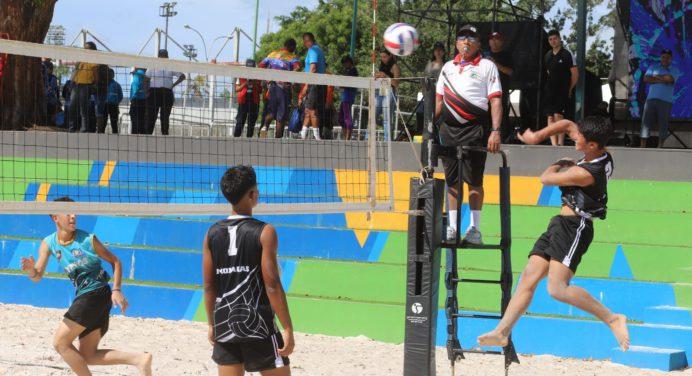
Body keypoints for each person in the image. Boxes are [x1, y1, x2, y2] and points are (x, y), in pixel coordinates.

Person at [478, 117, 630, 353]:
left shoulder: (587, 172)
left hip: (575, 227)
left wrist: (558, 162)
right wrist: (536, 136)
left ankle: (612, 318)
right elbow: (567, 123)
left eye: (579, 137)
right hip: (560, 224)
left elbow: (545, 178)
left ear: (592, 145)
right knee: (528, 276)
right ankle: (502, 332)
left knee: (557, 289)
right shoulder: (601, 152)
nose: (573, 137)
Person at [19, 196, 153, 375]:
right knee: (88, 355)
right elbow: (37, 277)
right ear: (55, 218)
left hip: (95, 294)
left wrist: (117, 289)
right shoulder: (48, 243)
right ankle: (139, 359)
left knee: (60, 342)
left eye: (75, 212)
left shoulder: (88, 239)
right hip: (94, 297)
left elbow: (116, 261)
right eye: (68, 213)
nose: (73, 216)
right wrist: (30, 270)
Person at [203, 165, 294, 375]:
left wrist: (211, 323)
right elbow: (271, 284)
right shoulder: (265, 231)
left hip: (224, 321)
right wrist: (287, 327)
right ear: (252, 195)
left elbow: (209, 286)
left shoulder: (211, 234)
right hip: (258, 323)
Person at [435, 24, 502, 245]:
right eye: (462, 37)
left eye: (471, 38)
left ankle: (474, 229)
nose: (466, 41)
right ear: (456, 43)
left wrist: (495, 131)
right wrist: (427, 127)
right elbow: (438, 102)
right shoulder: (447, 67)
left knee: (474, 181)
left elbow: (495, 100)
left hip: (475, 129)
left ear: (479, 44)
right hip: (448, 130)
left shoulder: (486, 65)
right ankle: (452, 228)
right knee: (452, 181)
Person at [259, 38, 301, 138]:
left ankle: (264, 127)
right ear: (291, 47)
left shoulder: (272, 54)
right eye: (294, 48)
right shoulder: (292, 57)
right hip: (283, 89)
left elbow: (261, 65)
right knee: (280, 117)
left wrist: (268, 79)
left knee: (271, 112)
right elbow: (297, 68)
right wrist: (292, 81)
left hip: (272, 87)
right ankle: (278, 140)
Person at [543, 30, 578, 146]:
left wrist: (569, 88)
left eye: (555, 38)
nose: (553, 41)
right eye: (550, 39)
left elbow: (575, 74)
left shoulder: (567, 54)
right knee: (550, 117)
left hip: (562, 90)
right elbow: (549, 72)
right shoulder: (547, 56)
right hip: (549, 91)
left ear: (559, 39)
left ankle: (560, 143)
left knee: (559, 115)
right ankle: (553, 144)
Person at [640, 48, 680, 148]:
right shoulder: (653, 66)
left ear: (670, 58)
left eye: (667, 57)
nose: (665, 59)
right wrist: (663, 78)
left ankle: (660, 146)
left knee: (663, 123)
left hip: (666, 100)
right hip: (651, 99)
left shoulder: (674, 69)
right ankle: (642, 146)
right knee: (646, 122)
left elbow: (670, 79)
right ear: (661, 57)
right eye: (663, 57)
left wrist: (655, 77)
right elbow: (646, 78)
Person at [146, 49, 185, 135]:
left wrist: (173, 85)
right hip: (156, 92)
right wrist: (147, 90)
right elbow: (146, 78)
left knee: (164, 116)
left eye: (164, 56)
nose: (163, 57)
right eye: (162, 56)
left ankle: (164, 135)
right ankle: (149, 134)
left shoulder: (170, 65)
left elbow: (182, 76)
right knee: (153, 116)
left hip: (165, 92)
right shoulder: (153, 65)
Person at [298, 32, 327, 141]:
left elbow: (313, 68)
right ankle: (303, 135)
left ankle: (317, 137)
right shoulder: (318, 49)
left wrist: (306, 85)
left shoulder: (313, 50)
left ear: (306, 41)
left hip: (313, 84)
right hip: (317, 83)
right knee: (308, 110)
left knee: (312, 110)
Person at [487, 32, 514, 142]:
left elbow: (510, 72)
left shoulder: (506, 55)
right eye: (492, 39)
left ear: (501, 42)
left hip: (501, 90)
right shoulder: (485, 55)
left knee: (500, 113)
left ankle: (502, 137)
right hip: (485, 91)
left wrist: (495, 64)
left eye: (497, 39)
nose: (494, 41)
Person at [417, 42, 446, 135]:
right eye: (436, 50)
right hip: (429, 95)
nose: (438, 52)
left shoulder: (446, 65)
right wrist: (425, 93)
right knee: (427, 114)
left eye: (440, 50)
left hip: (442, 96)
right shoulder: (429, 65)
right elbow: (424, 81)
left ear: (443, 52)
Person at [70, 41, 99, 133]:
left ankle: (84, 128)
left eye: (87, 48)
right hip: (76, 84)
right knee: (72, 106)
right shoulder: (81, 59)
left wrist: (95, 84)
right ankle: (72, 127)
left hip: (86, 85)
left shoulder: (93, 60)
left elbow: (95, 73)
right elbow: (75, 70)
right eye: (84, 48)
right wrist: (71, 82)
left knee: (83, 108)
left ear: (92, 50)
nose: (85, 50)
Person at [374, 49, 400, 141]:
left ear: (390, 56)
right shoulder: (381, 67)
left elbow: (396, 83)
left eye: (384, 57)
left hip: (389, 91)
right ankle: (367, 137)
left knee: (386, 116)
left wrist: (386, 76)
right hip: (381, 91)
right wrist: (376, 77)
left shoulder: (394, 67)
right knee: (373, 114)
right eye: (381, 57)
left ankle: (387, 139)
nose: (383, 59)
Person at [234, 59, 262, 138]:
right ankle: (236, 137)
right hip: (243, 100)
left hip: (254, 100)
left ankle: (249, 139)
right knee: (240, 121)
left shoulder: (258, 76)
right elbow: (236, 89)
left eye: (252, 68)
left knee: (251, 122)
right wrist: (245, 84)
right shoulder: (241, 76)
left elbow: (260, 90)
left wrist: (254, 84)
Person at [338, 55, 359, 141]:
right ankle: (345, 136)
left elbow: (348, 84)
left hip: (348, 97)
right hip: (345, 97)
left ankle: (348, 138)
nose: (344, 66)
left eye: (345, 64)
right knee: (341, 118)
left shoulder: (353, 71)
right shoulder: (349, 71)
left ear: (348, 62)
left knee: (347, 117)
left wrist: (342, 85)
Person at [129, 67, 148, 135]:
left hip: (137, 100)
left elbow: (135, 86)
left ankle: (134, 138)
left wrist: (133, 98)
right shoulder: (146, 76)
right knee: (142, 121)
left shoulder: (137, 74)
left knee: (135, 121)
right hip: (144, 100)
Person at [104, 68, 123, 134]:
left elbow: (120, 96)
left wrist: (116, 102)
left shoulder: (116, 85)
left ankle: (113, 135)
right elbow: (120, 97)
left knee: (113, 123)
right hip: (107, 105)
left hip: (112, 105)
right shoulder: (104, 84)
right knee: (110, 122)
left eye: (111, 74)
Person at [44, 61, 61, 126]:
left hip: (50, 100)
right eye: (49, 68)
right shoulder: (42, 77)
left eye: (51, 68)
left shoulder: (53, 78)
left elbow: (55, 90)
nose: (51, 69)